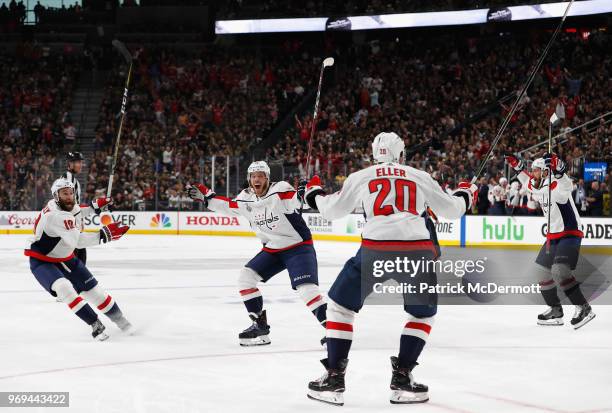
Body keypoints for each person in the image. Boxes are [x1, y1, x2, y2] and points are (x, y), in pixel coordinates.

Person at [302, 132, 476, 405]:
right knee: (421, 315)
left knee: (339, 308)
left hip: (376, 248)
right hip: (418, 250)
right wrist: (466, 192)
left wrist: (312, 192)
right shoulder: (419, 176)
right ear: (402, 154)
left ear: (374, 154)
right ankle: (404, 378)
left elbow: (330, 210)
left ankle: (334, 378)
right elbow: (453, 210)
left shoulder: (361, 176)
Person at [186, 161, 327, 347]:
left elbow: (295, 201)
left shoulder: (280, 189)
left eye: (261, 175)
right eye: (253, 176)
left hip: (297, 246)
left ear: (268, 178)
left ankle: (333, 330)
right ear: (249, 179)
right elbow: (229, 205)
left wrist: (302, 194)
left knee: (306, 289)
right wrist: (208, 198)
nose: (257, 179)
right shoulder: (246, 197)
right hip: (273, 248)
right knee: (246, 278)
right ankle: (259, 326)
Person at [25, 178, 132, 341]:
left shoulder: (64, 206)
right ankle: (95, 324)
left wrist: (94, 207)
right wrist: (104, 235)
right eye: (64, 194)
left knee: (97, 294)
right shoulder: (56, 216)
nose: (69, 197)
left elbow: (78, 211)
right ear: (56, 196)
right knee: (64, 288)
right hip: (42, 260)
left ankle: (122, 322)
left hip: (66, 257)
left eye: (71, 193)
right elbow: (78, 241)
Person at [505, 153, 595, 329]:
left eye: (536, 170)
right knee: (541, 272)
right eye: (533, 170)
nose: (533, 173)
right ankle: (555, 310)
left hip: (570, 231)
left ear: (545, 171)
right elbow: (526, 181)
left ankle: (584, 308)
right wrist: (517, 167)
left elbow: (567, 185)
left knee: (561, 271)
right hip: (552, 235)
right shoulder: (536, 184)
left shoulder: (556, 184)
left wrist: (560, 169)